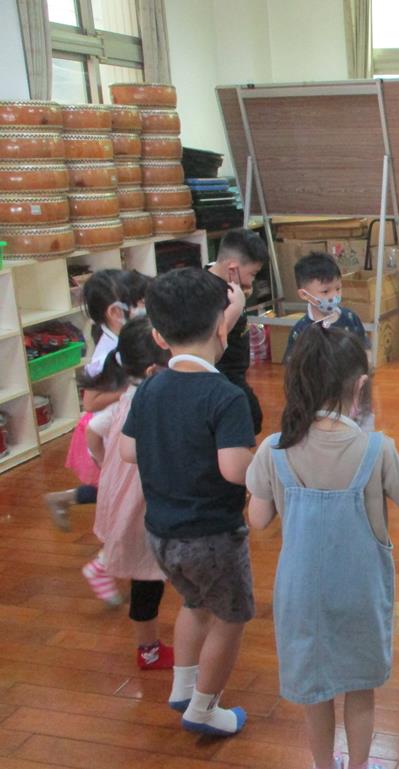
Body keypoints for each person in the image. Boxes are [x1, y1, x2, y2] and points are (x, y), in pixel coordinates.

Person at [246, 325, 399, 769]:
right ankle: (358, 765)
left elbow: (258, 519)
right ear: (360, 387)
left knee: (314, 694)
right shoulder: (377, 448)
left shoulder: (273, 449)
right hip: (360, 595)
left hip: (301, 597)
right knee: (360, 689)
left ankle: (324, 765)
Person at [120, 267, 255, 737]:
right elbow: (234, 470)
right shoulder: (225, 396)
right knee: (231, 618)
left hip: (161, 535)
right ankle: (203, 709)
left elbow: (127, 451)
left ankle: (182, 687)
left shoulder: (150, 386)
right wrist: (263, 458)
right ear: (223, 327)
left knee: (194, 604)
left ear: (158, 335)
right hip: (212, 536)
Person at [45, 269, 149, 607]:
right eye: (142, 304)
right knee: (127, 502)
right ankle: (103, 565)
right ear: (116, 312)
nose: (146, 310)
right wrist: (130, 388)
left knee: (120, 497)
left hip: (117, 430)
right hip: (107, 434)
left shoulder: (123, 340)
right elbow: (91, 403)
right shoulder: (110, 352)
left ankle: (65, 500)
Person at [86, 316, 174, 669]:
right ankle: (148, 648)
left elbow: (93, 431)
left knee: (148, 573)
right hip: (143, 504)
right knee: (147, 575)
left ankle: (149, 645)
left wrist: (104, 466)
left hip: (125, 500)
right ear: (154, 370)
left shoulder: (125, 397)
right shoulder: (151, 404)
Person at [208, 228, 269, 434]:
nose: (252, 281)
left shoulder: (227, 283)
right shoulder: (210, 292)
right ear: (232, 268)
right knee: (250, 420)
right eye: (252, 274)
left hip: (236, 372)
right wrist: (236, 307)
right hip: (223, 373)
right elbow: (211, 338)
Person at [283, 252, 367, 363]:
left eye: (338, 288)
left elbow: (365, 350)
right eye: (325, 291)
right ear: (304, 294)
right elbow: (292, 365)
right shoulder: (301, 330)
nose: (334, 296)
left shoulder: (351, 319)